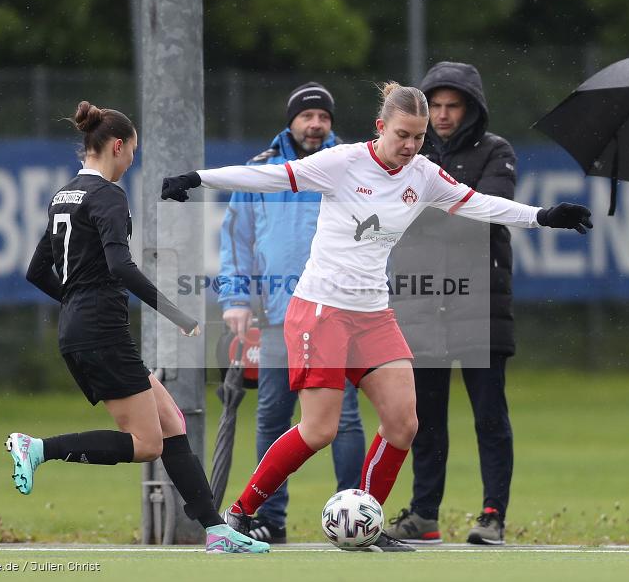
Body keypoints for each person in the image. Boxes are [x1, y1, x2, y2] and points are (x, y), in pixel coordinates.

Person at [162, 82, 592, 552]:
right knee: (319, 430)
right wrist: (197, 179)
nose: (410, 146)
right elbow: (269, 177)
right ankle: (238, 516)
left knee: (404, 423)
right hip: (321, 310)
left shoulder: (423, 174)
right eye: (402, 135)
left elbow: (478, 203)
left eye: (419, 137)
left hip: (373, 314)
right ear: (380, 127)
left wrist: (543, 216)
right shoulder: (342, 162)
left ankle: (365, 523)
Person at [12, 101, 269, 554]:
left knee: (171, 422)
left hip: (83, 329)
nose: (133, 159)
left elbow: (36, 271)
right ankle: (37, 449)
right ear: (117, 146)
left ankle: (216, 530)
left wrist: (75, 303)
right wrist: (177, 313)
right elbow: (121, 266)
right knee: (147, 445)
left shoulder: (64, 195)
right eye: (133, 149)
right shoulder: (109, 195)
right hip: (101, 332)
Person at [217, 82, 365, 543]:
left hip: (337, 312)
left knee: (344, 417)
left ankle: (355, 513)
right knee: (273, 414)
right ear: (291, 121)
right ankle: (270, 518)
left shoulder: (353, 167)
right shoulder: (261, 170)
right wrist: (236, 299)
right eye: (307, 116)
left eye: (323, 116)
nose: (315, 124)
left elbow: (375, 236)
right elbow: (237, 239)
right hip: (278, 314)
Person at [385, 61, 517, 546]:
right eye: (435, 105)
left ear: (471, 109)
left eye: (452, 105)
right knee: (424, 419)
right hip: (421, 303)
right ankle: (424, 514)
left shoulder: (496, 151)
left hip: (480, 304)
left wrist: (422, 210)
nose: (442, 114)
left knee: (489, 417)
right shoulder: (408, 153)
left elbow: (485, 214)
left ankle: (492, 514)